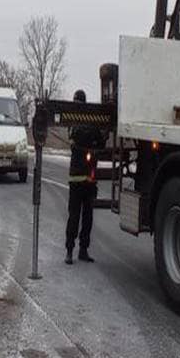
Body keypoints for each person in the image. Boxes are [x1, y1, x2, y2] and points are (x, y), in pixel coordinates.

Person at [66, 89, 107, 265]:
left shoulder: (73, 123)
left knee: (74, 215)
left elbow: (72, 137)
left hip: (76, 178)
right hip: (89, 179)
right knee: (86, 216)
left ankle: (69, 251)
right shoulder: (93, 122)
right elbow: (101, 142)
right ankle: (83, 250)